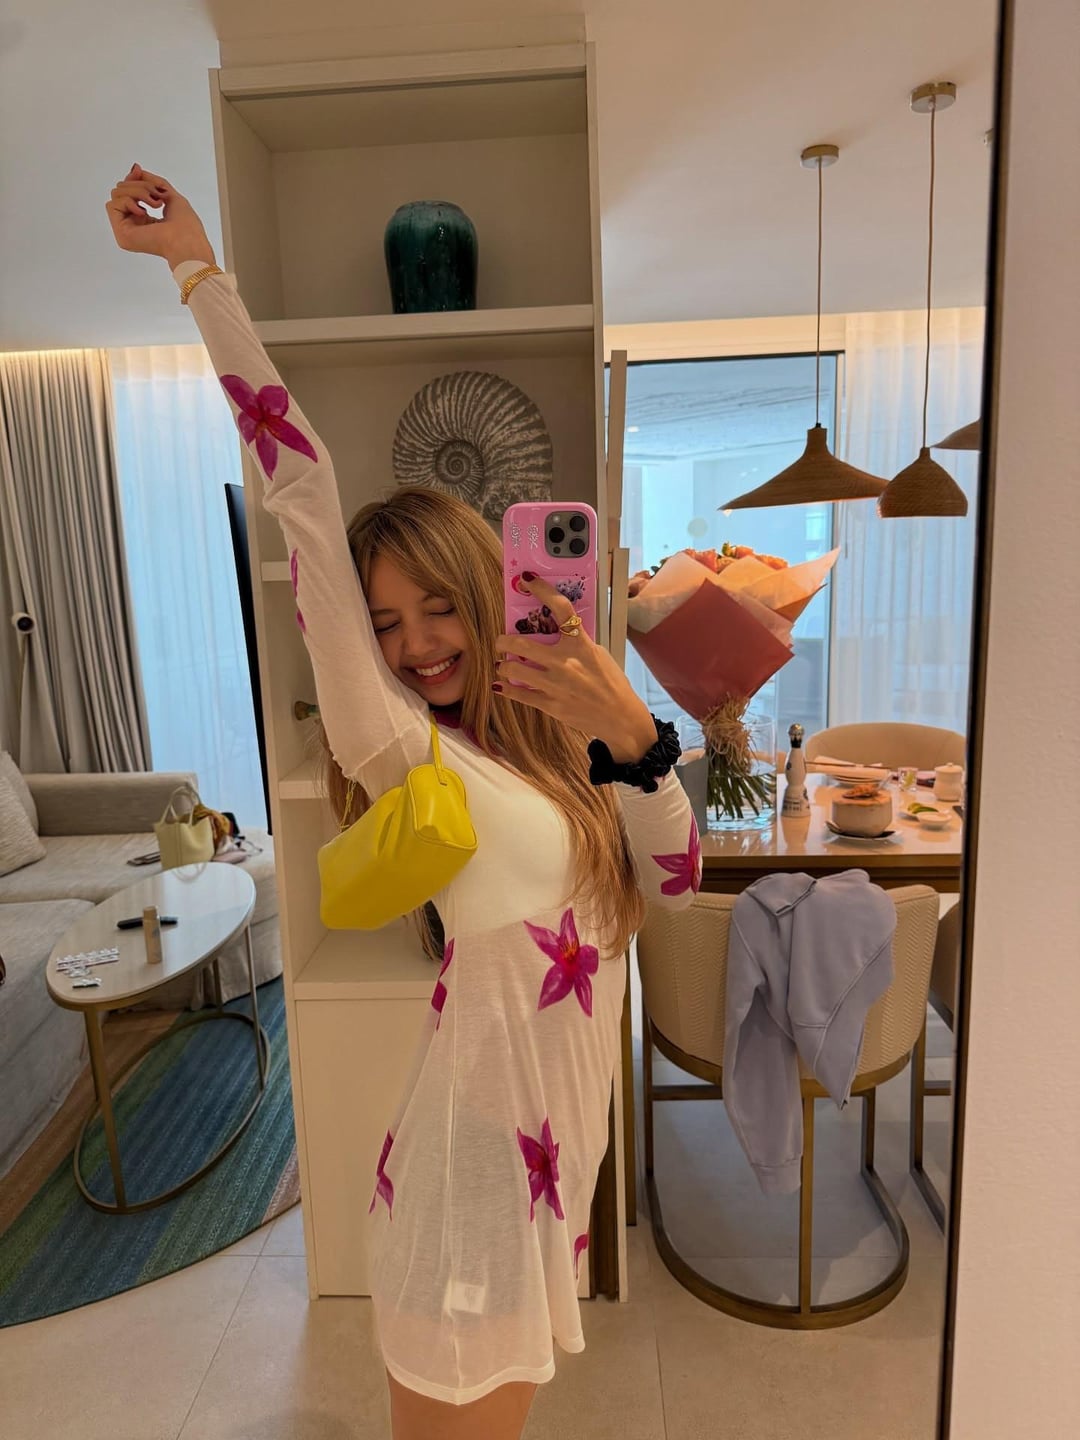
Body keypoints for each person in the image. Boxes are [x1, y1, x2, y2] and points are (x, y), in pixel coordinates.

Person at [106, 165, 702, 1440]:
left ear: (489, 596)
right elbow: (302, 486)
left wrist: (639, 740)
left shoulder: (560, 743)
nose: (415, 644)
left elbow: (673, 886)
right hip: (471, 1170)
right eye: (383, 624)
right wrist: (198, 272)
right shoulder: (401, 748)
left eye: (438, 607)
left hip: (554, 1156)